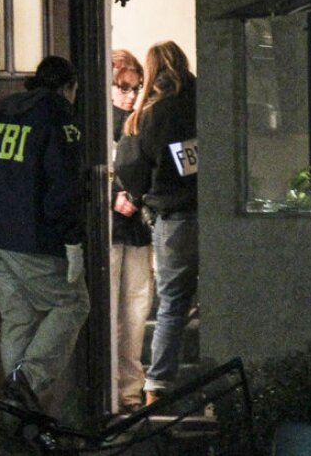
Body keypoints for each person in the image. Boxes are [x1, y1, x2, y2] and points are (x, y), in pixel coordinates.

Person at [0, 56, 89, 413]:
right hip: (29, 236)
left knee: (18, 320)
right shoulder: (59, 116)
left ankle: (18, 420)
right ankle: (26, 381)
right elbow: (64, 184)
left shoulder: (1, 116)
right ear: (68, 86)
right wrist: (73, 240)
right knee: (73, 303)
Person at [113, 41, 198, 405]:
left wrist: (135, 194)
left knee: (172, 301)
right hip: (213, 213)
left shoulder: (149, 115)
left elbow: (132, 170)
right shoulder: (204, 101)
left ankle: (157, 386)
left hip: (172, 216)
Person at [109, 49, 154, 413]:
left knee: (136, 311)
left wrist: (137, 196)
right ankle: (113, 389)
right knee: (113, 309)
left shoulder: (141, 122)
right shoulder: (99, 121)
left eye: (136, 87)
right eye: (123, 86)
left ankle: (129, 390)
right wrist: (114, 197)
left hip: (136, 228)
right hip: (110, 228)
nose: (129, 94)